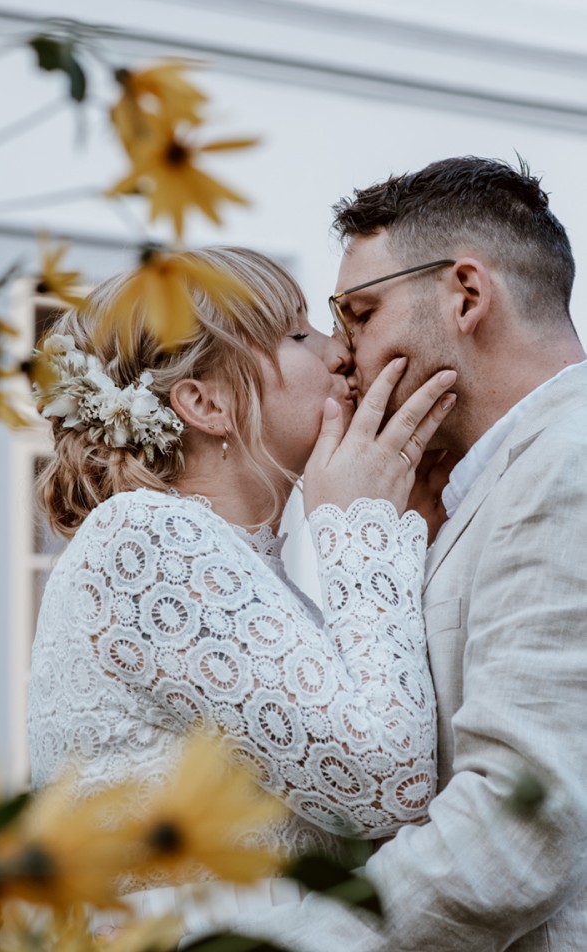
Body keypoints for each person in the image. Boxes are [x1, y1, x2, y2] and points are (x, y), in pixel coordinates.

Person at [26, 246, 456, 931]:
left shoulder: (232, 561)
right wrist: (358, 523)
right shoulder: (145, 539)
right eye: (296, 334)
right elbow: (387, 783)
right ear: (207, 403)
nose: (339, 351)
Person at [235, 158, 587, 951]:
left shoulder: (568, 468)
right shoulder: (483, 488)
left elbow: (515, 835)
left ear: (465, 294)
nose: (343, 353)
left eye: (359, 312)